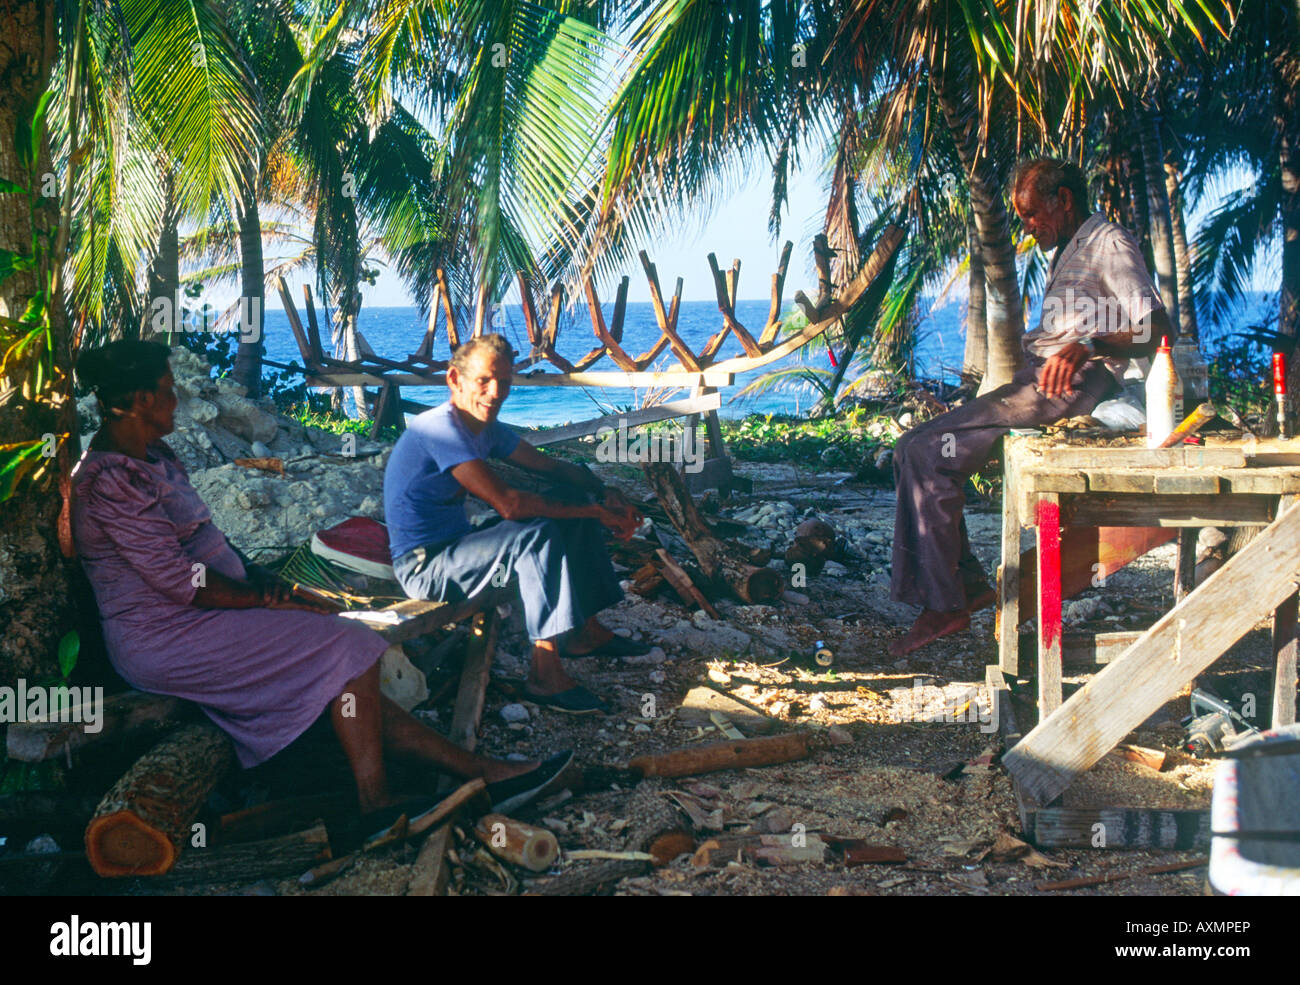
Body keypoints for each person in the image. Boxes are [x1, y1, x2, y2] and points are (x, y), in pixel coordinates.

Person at [72, 340, 570, 840]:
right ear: (139, 401)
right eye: (165, 391)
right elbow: (184, 581)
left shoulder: (154, 456)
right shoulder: (112, 479)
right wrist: (269, 599)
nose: (175, 400)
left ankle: (476, 769)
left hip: (202, 617)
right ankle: (375, 801)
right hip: (163, 636)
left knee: (339, 644)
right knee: (351, 645)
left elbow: (210, 545)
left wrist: (276, 585)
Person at [889, 158, 1172, 658]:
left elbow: (1157, 327)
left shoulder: (1109, 243)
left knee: (925, 450)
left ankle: (945, 604)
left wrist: (1086, 345)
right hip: (1038, 381)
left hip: (1068, 385)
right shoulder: (1073, 246)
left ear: (1063, 199)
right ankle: (962, 584)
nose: (1028, 227)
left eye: (1031, 214)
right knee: (914, 448)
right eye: (1021, 218)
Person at [384, 334, 648, 715]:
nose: (495, 393)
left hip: (458, 546)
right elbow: (510, 505)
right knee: (534, 535)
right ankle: (544, 675)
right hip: (425, 566)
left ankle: (585, 633)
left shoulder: (484, 426)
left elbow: (549, 466)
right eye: (484, 381)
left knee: (572, 500)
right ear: (454, 380)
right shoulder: (440, 429)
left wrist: (603, 491)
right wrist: (597, 514)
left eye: (504, 383)